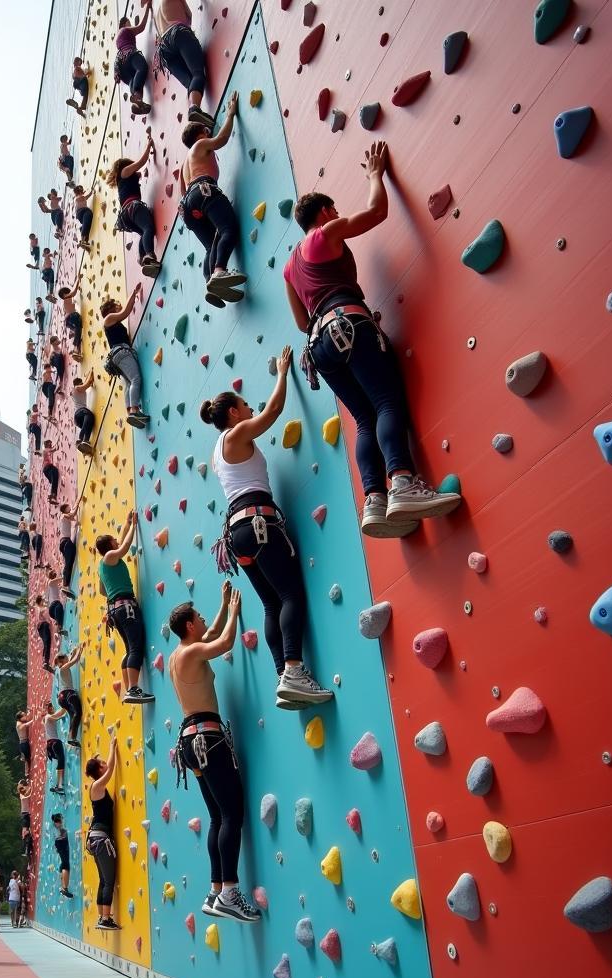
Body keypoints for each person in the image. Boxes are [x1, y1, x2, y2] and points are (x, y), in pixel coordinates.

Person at [284, 141, 462, 537]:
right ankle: (402, 481)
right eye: (333, 210)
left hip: (318, 345)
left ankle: (375, 501)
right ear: (325, 211)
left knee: (364, 418)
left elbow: (300, 322)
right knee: (385, 401)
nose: (337, 215)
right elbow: (377, 212)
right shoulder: (324, 234)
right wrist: (374, 176)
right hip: (348, 323)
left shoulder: (289, 269)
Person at [200, 349, 333, 709]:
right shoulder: (235, 435)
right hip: (257, 523)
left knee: (272, 602)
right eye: (244, 405)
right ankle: (293, 669)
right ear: (233, 413)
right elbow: (273, 412)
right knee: (290, 594)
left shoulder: (217, 451)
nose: (250, 409)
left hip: (239, 533)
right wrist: (282, 372)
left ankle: (283, 677)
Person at [168, 585, 262, 922]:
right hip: (207, 740)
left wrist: (222, 605)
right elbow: (222, 643)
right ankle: (229, 892)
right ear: (189, 625)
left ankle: (215, 889)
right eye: (199, 616)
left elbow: (209, 634)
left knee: (218, 817)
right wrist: (235, 611)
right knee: (232, 815)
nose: (204, 619)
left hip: (191, 743)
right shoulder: (191, 654)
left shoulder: (181, 655)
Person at [180, 92, 246, 306]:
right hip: (204, 189)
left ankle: (210, 283)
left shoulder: (184, 165)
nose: (208, 132)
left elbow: (184, 192)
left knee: (211, 245)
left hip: (188, 206)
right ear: (200, 134)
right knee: (228, 229)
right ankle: (219, 272)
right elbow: (222, 139)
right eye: (205, 130)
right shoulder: (199, 146)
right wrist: (231, 115)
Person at [97, 510, 152, 703]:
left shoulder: (103, 565)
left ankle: (130, 688)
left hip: (115, 608)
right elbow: (125, 546)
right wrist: (135, 526)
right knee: (136, 648)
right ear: (108, 546)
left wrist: (127, 522)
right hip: (126, 606)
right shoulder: (111, 556)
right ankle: (133, 689)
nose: (116, 541)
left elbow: (103, 591)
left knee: (130, 649)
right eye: (113, 540)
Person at [107, 130, 160, 277]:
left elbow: (138, 174)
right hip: (133, 207)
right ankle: (149, 254)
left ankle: (142, 257)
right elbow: (141, 163)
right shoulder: (123, 171)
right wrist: (148, 145)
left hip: (126, 216)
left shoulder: (122, 181)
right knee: (148, 227)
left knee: (145, 232)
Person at [152, 0, 212, 127]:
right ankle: (194, 108)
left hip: (163, 49)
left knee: (190, 82)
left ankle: (195, 119)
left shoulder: (157, 13)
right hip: (179, 33)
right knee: (197, 73)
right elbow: (189, 16)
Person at [86, 737, 121, 930]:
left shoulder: (97, 787)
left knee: (103, 879)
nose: (104, 764)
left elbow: (105, 767)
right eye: (101, 764)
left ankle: (102, 917)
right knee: (109, 880)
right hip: (101, 838)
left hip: (96, 838)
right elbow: (111, 768)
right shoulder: (97, 786)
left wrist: (98, 757)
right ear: (99, 770)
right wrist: (112, 747)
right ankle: (106, 919)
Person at [102, 283, 149, 426]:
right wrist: (134, 293)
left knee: (129, 383)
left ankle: (130, 412)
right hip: (121, 352)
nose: (118, 306)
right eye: (116, 305)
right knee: (136, 378)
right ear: (109, 309)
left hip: (117, 356)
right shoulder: (108, 319)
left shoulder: (113, 324)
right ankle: (135, 410)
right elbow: (126, 311)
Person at [114, 7, 152, 115]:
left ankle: (138, 102)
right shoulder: (124, 30)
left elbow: (117, 59)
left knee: (132, 80)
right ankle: (137, 98)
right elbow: (141, 27)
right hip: (130, 53)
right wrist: (148, 9)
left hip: (120, 65)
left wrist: (116, 72)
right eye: (129, 23)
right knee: (141, 68)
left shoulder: (117, 40)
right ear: (124, 24)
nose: (130, 25)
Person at [55, 644, 84, 747]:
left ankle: (72, 738)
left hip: (62, 697)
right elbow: (74, 660)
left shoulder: (60, 669)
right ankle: (72, 737)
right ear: (62, 661)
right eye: (66, 657)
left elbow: (70, 660)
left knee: (73, 715)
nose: (68, 658)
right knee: (78, 713)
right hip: (68, 694)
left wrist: (73, 652)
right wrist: (80, 650)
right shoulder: (63, 667)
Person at [43, 700, 68, 794]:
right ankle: (59, 785)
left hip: (49, 744)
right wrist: (66, 706)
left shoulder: (46, 718)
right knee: (61, 760)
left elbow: (58, 717)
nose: (53, 709)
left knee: (56, 762)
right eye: (52, 707)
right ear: (50, 708)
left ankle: (56, 784)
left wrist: (61, 716)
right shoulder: (49, 716)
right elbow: (59, 713)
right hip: (54, 742)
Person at [58, 503, 80, 597]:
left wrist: (77, 504)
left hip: (65, 543)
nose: (69, 507)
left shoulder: (65, 517)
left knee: (70, 563)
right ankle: (65, 585)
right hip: (65, 542)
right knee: (68, 563)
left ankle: (66, 584)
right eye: (68, 507)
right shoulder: (63, 515)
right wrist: (78, 502)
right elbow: (72, 515)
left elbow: (73, 517)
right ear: (64, 509)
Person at [51, 814, 74, 898]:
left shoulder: (55, 829)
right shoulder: (60, 830)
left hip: (59, 844)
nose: (62, 821)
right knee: (66, 864)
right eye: (61, 819)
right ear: (58, 821)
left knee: (63, 863)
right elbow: (64, 835)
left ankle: (63, 886)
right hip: (62, 844)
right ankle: (64, 888)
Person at [72, 376, 96, 456]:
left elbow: (87, 381)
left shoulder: (78, 390)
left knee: (90, 423)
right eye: (81, 383)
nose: (82, 384)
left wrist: (89, 374)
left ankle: (85, 442)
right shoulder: (76, 388)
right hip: (80, 412)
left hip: (80, 419)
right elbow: (87, 383)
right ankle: (81, 437)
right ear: (78, 384)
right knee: (89, 414)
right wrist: (91, 372)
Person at [59, 275, 83, 355]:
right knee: (78, 326)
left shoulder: (66, 302)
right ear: (64, 294)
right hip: (71, 316)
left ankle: (73, 333)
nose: (69, 293)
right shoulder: (66, 297)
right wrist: (78, 280)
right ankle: (75, 347)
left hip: (68, 321)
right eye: (67, 292)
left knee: (78, 329)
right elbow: (74, 292)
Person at [34, 596, 54, 670]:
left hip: (40, 627)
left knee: (46, 643)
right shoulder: (41, 608)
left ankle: (45, 661)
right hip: (44, 625)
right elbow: (46, 617)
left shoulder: (37, 608)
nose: (44, 601)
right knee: (47, 642)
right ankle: (46, 661)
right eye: (42, 600)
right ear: (40, 601)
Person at [73, 185, 93, 251]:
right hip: (82, 211)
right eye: (81, 190)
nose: (82, 191)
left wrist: (91, 192)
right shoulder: (78, 197)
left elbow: (86, 197)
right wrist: (85, 193)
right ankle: (82, 240)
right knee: (88, 217)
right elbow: (83, 197)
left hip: (79, 215)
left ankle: (84, 241)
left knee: (87, 224)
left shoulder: (80, 197)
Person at [46, 570, 65, 634]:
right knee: (59, 607)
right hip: (55, 605)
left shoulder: (52, 585)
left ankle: (58, 623)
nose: (55, 573)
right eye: (54, 573)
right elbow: (60, 579)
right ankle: (58, 626)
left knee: (60, 614)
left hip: (52, 610)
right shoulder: (51, 582)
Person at [15, 709, 34, 775]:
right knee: (27, 759)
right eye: (24, 716)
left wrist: (31, 712)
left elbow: (27, 719)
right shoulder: (18, 724)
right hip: (23, 744)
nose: (25, 716)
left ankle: (27, 772)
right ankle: (26, 773)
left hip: (25, 742)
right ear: (20, 718)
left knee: (28, 758)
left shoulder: (21, 721)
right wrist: (33, 720)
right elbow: (26, 725)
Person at [17, 779, 33, 849]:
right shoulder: (22, 793)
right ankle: (25, 844)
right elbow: (27, 794)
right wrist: (31, 786)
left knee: (26, 828)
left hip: (26, 813)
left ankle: (27, 843)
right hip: (25, 813)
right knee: (25, 828)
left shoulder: (23, 792)